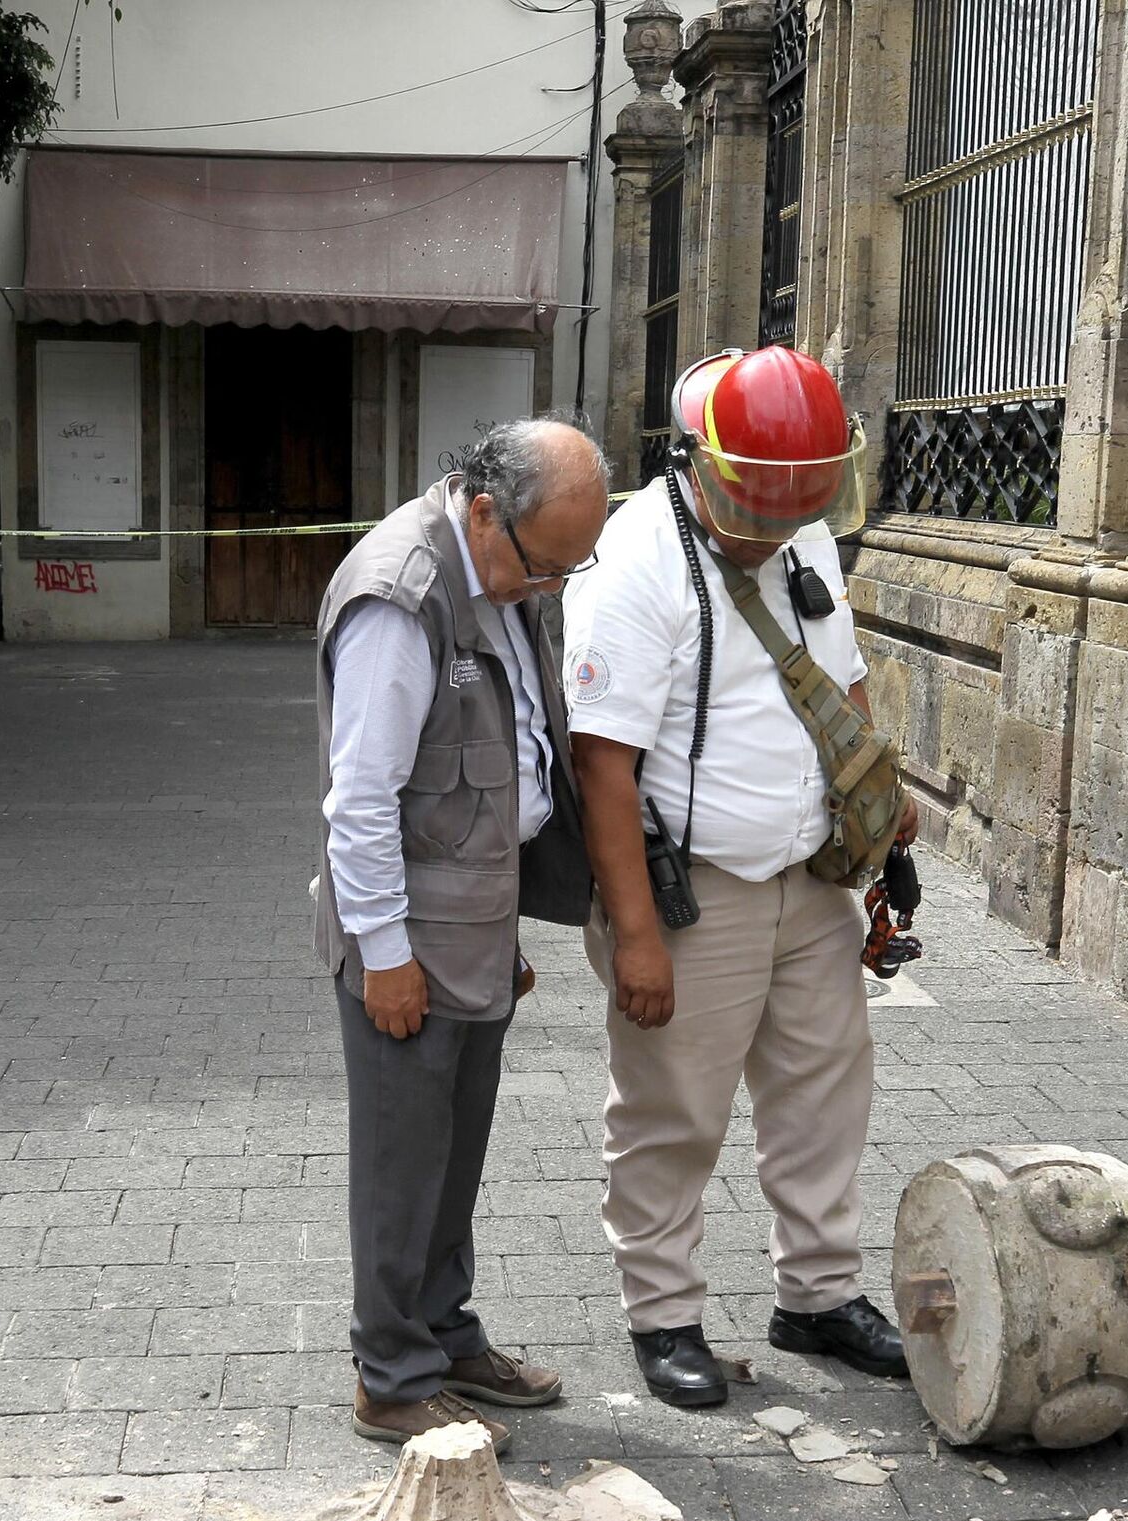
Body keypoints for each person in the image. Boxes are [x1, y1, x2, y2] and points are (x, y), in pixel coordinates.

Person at [562, 346, 917, 1408]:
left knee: (823, 1093)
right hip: (692, 891)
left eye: (798, 500)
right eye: (756, 502)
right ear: (703, 465)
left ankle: (816, 1295)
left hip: (808, 877)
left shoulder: (800, 520)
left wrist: (874, 819)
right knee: (675, 1109)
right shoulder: (635, 560)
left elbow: (840, 684)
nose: (774, 524)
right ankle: (663, 1312)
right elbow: (602, 764)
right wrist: (634, 936)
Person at [317, 417, 603, 1451]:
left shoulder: (504, 576)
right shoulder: (402, 598)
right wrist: (386, 957)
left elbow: (508, 763)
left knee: (454, 1155)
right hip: (408, 945)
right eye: (545, 566)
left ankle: (444, 1332)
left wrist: (503, 924)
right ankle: (391, 1376)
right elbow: (360, 805)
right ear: (484, 510)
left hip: (472, 924)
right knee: (403, 1164)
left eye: (572, 568)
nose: (552, 588)